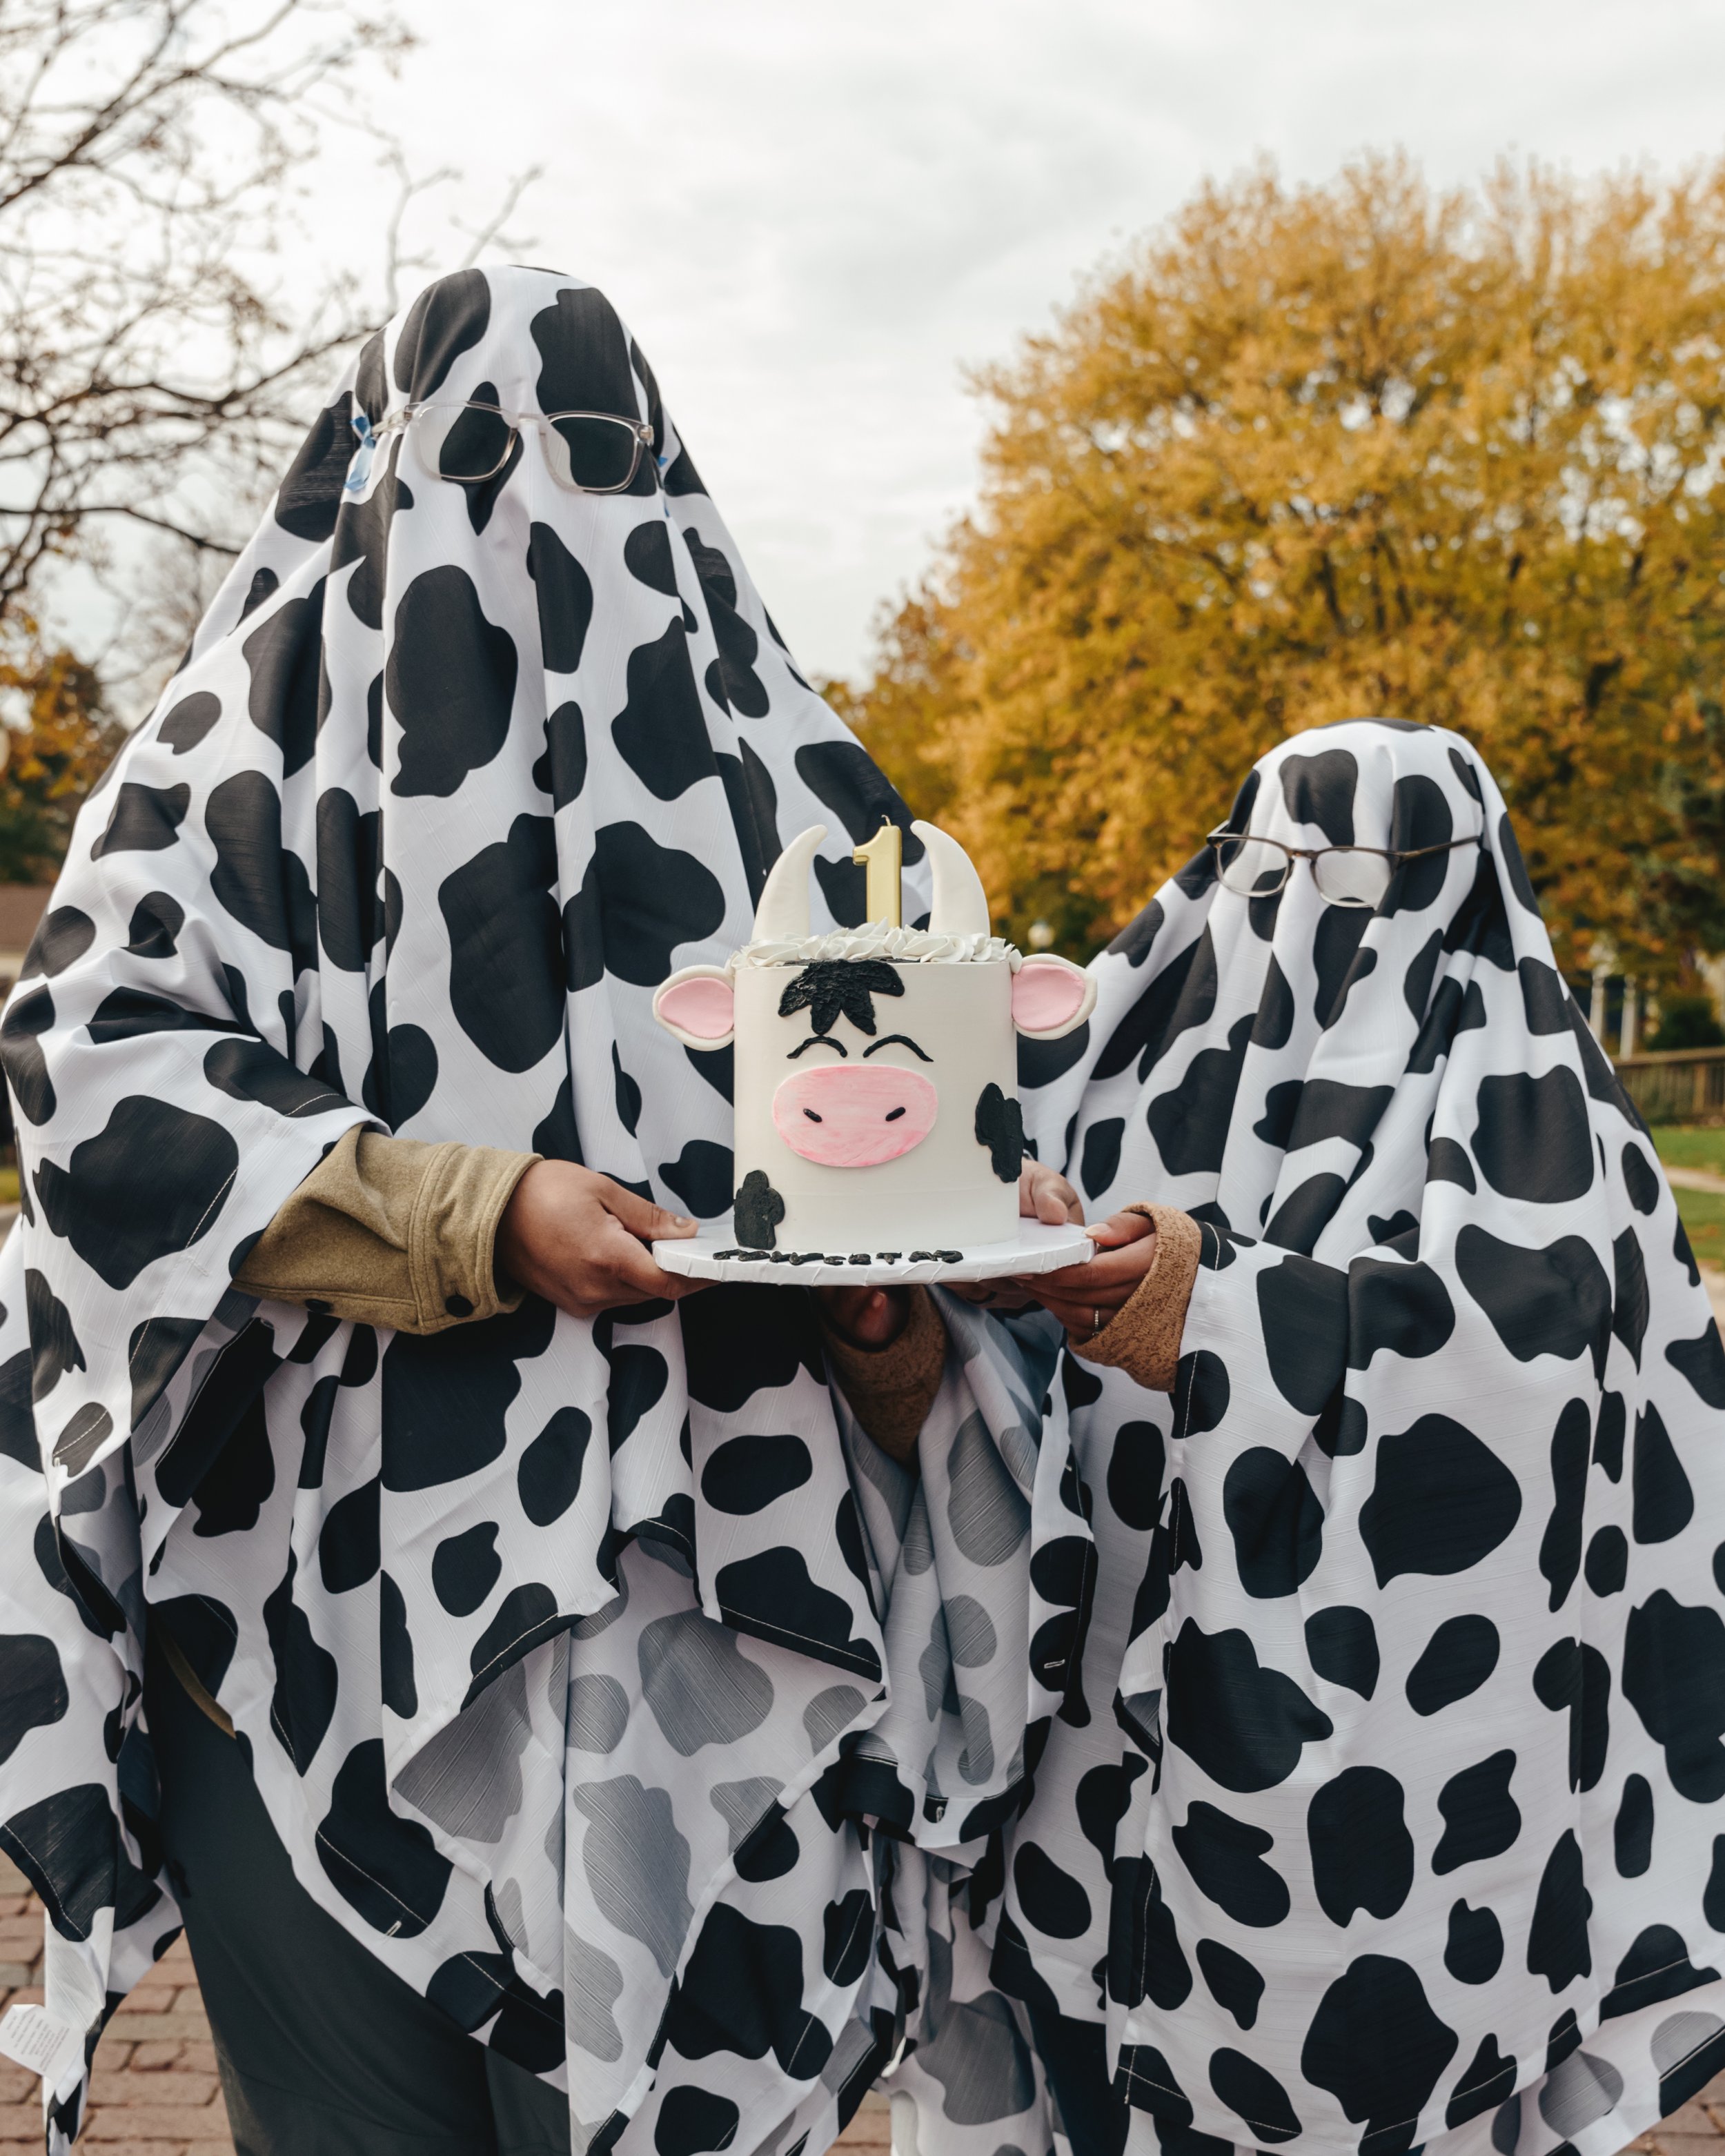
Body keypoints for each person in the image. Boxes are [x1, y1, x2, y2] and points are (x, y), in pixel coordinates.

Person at [0, 266, 1072, 2156]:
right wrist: (463, 1214)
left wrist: (884, 1312)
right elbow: (89, 1071)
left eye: (584, 452)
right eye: (469, 452)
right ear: (368, 473)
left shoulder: (805, 808)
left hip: (724, 1666)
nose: (523, 507)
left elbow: (927, 1262)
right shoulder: (226, 775)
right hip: (302, 1640)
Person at [954, 719, 1725, 2156]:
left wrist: (1209, 1307)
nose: (1310, 911)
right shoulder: (1096, 1070)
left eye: (1367, 878)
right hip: (1078, 1792)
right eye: (1269, 861)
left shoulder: (1551, 1125)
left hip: (1407, 1856)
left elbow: (1540, 1365)